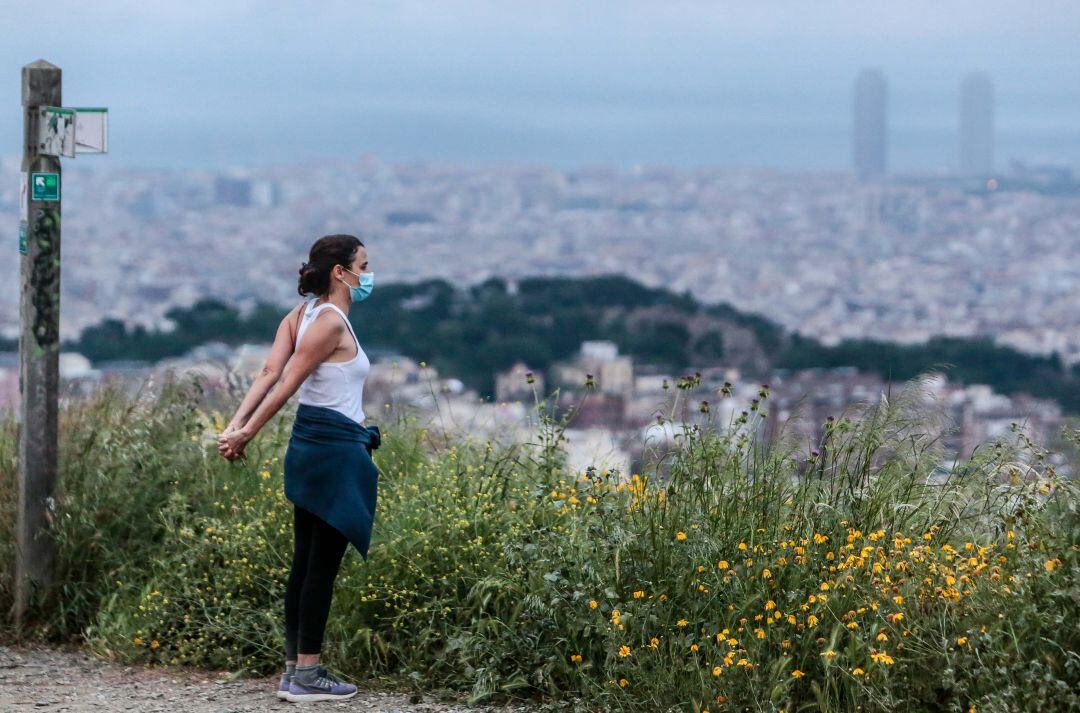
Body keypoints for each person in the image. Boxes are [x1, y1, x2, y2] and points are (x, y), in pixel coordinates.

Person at [217, 234, 381, 703]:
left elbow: (268, 373)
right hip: (333, 451)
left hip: (307, 447)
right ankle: (309, 673)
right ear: (341, 272)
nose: (368, 274)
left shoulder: (300, 315)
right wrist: (244, 433)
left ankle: (294, 670)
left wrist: (235, 424)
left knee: (305, 563)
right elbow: (287, 381)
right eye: (363, 265)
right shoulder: (329, 322)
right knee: (321, 567)